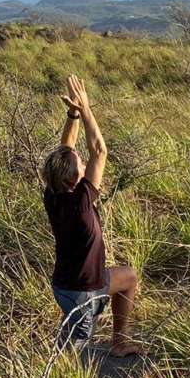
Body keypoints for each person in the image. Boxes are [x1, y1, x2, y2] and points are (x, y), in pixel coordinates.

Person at [42, 75, 141, 357]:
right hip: (83, 293)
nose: (84, 163)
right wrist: (86, 110)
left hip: (66, 283)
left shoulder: (53, 193)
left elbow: (66, 149)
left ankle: (120, 342)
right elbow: (99, 150)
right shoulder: (82, 203)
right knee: (62, 360)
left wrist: (73, 114)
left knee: (129, 277)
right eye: (80, 165)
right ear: (73, 177)